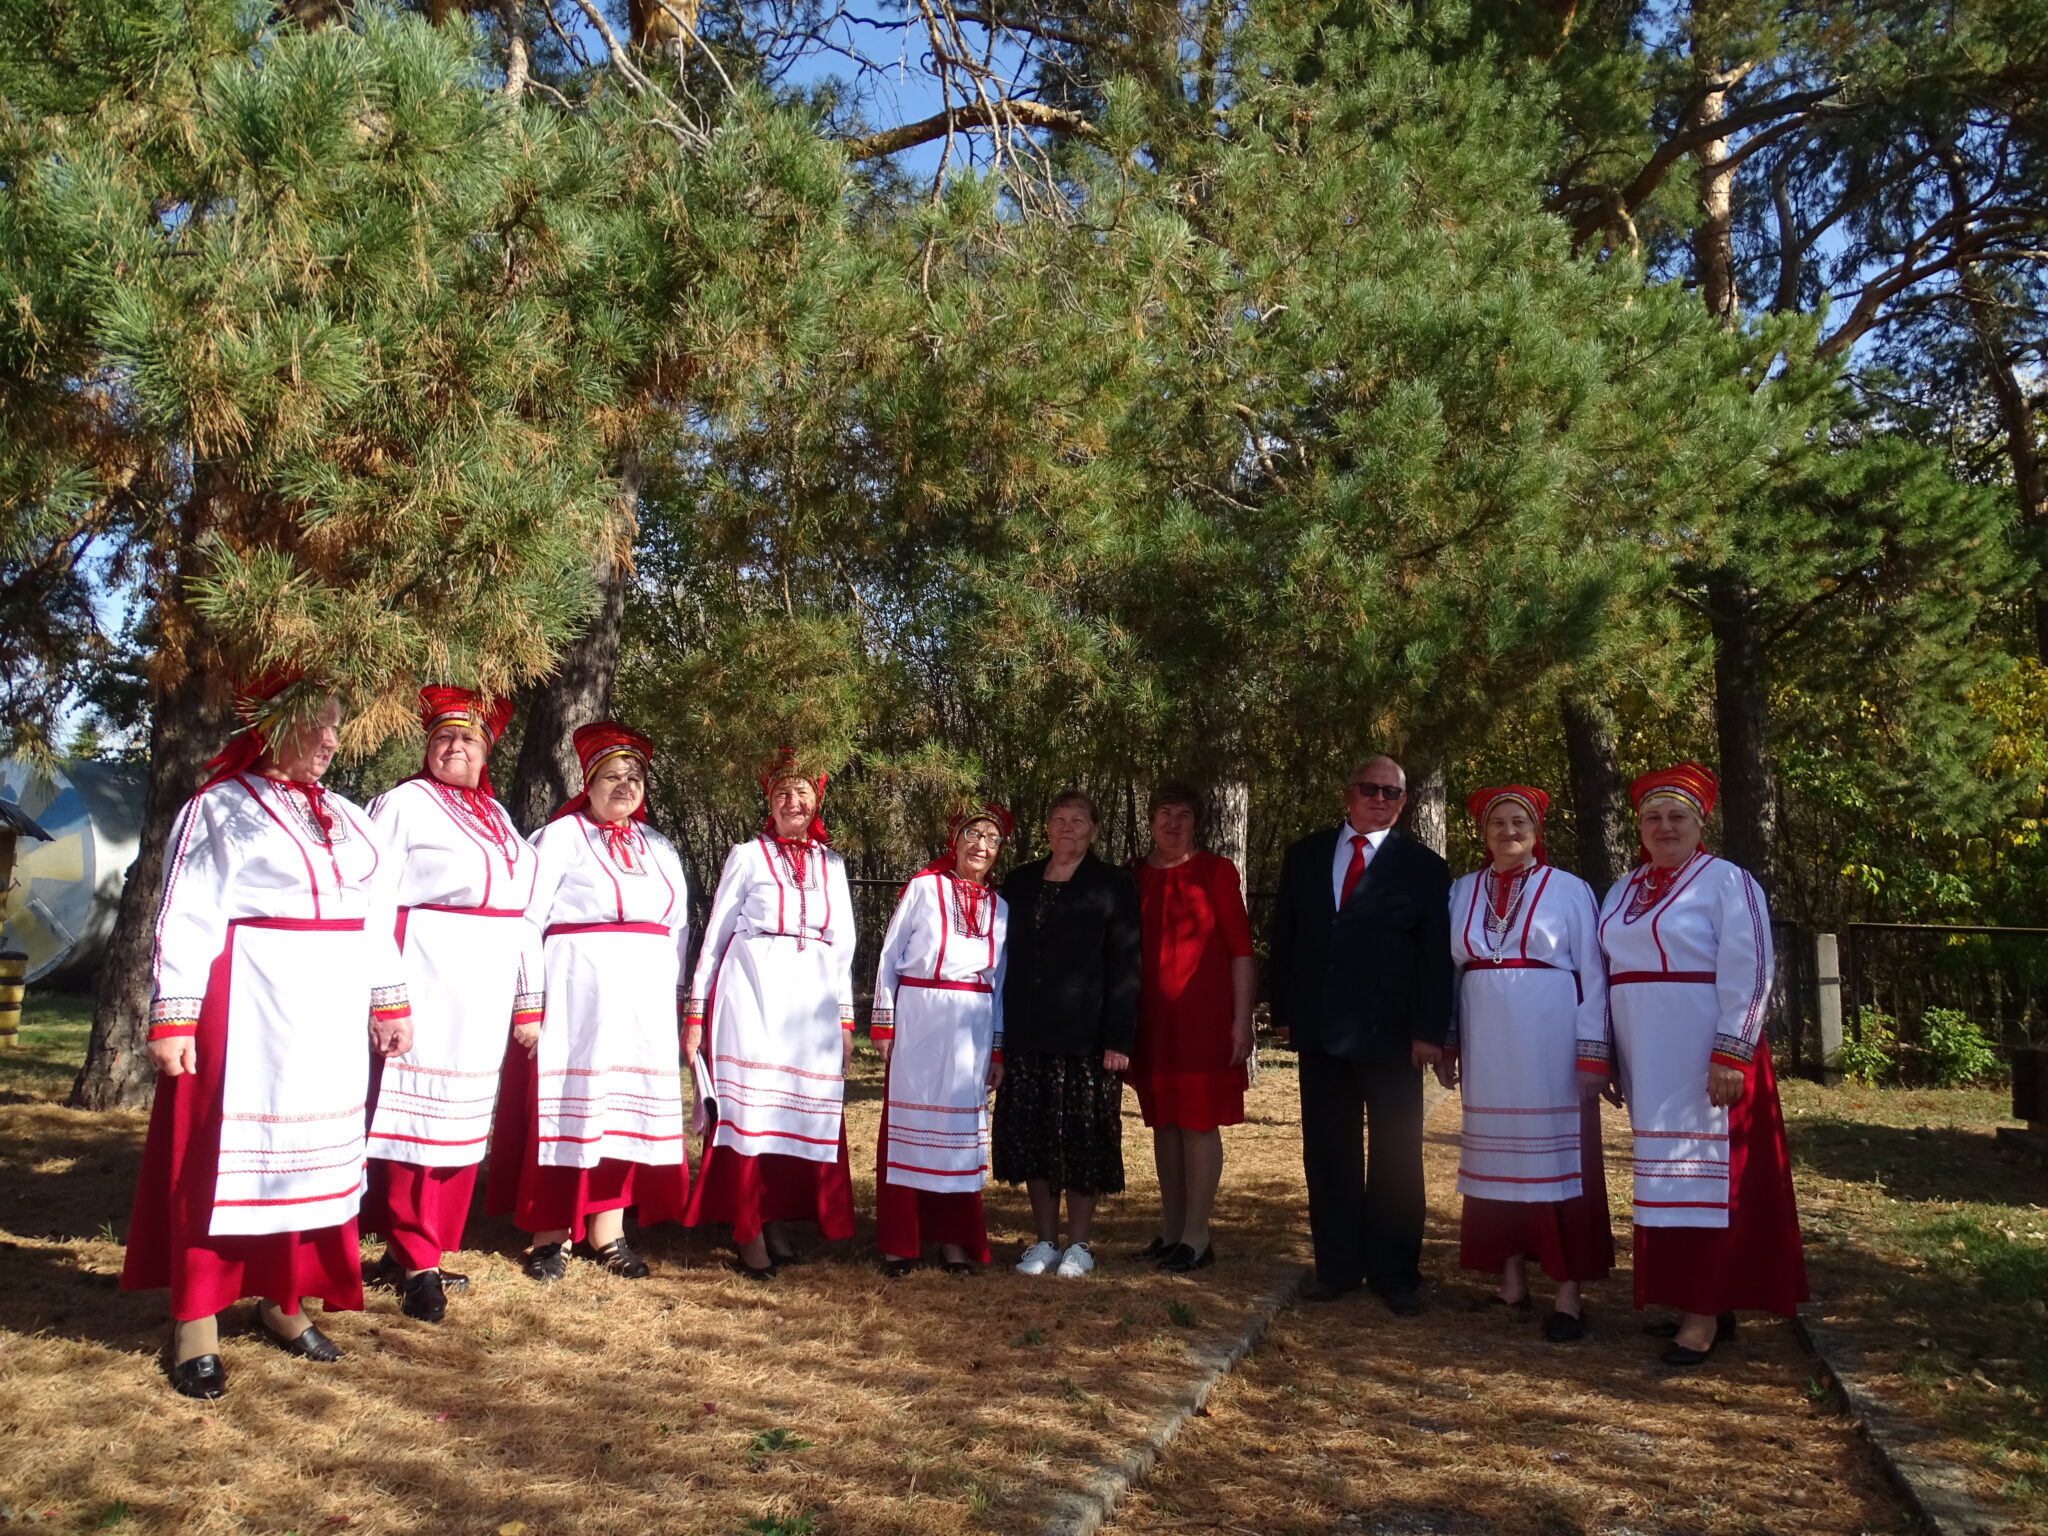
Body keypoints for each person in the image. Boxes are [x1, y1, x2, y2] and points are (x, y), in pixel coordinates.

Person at [122, 681, 413, 1399]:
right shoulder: (219, 807)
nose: (331, 740)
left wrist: (390, 999)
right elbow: (186, 910)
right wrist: (174, 1015)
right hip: (252, 998)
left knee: (310, 1157)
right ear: (272, 727)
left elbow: (375, 915)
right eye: (316, 724)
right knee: (220, 1159)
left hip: (332, 1013)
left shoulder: (351, 818)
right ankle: (196, 1322)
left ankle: (284, 1300)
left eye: (336, 725)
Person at [1598, 761, 1808, 1365]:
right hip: (1647, 1056)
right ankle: (1693, 1295)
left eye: (1677, 817)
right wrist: (1608, 1052)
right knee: (1665, 1177)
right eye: (1653, 817)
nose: (1664, 827)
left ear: (1700, 824)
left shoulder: (1727, 881)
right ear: (1639, 826)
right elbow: (1608, 972)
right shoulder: (1624, 888)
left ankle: (1705, 1312)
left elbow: (1753, 967)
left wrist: (1731, 1052)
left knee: (1709, 1178)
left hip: (1705, 1055)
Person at [360, 687, 544, 1323]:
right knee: (417, 1116)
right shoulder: (403, 804)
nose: (455, 747)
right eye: (443, 737)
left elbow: (523, 916)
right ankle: (417, 1262)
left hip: (484, 985)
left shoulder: (498, 815)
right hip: (428, 969)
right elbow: (373, 900)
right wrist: (388, 994)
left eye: (468, 738)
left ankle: (420, 1248)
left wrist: (527, 1000)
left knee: (460, 1122)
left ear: (487, 751)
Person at [488, 721, 691, 1282]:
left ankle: (609, 1228)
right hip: (578, 996)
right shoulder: (560, 837)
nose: (624, 786)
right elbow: (528, 921)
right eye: (612, 776)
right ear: (588, 782)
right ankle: (550, 1233)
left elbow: (678, 927)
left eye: (634, 778)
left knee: (624, 1111)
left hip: (642, 1003)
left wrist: (672, 998)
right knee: (569, 1107)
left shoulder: (659, 846)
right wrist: (530, 1004)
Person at [1268, 754, 1453, 1313]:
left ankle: (1395, 1273)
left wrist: (1429, 1031)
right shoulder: (1305, 855)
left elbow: (1434, 958)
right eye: (1370, 789)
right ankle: (1338, 1266)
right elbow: (1287, 937)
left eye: (1391, 792)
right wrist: (1284, 1011)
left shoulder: (1423, 867)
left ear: (1404, 801)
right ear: (1348, 793)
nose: (1380, 799)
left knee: (1397, 1156)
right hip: (1321, 1029)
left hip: (1392, 1035)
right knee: (1329, 1152)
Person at [1439, 784, 1612, 1342]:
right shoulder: (1462, 889)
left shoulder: (1569, 889)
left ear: (1537, 831)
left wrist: (1592, 1052)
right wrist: (1449, 1042)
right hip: (1487, 1042)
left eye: (1519, 822)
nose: (1508, 831)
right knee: (1496, 1155)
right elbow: (1451, 974)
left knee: (1559, 1157)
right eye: (1497, 823)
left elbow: (1594, 974)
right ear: (1483, 833)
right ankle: (1510, 1281)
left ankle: (1568, 1293)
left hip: (1550, 1043)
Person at [683, 749, 858, 1276]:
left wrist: (844, 1020)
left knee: (791, 1113)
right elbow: (716, 935)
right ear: (769, 801)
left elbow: (844, 946)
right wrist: (696, 1010)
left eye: (802, 791)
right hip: (751, 993)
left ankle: (773, 1216)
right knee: (752, 1114)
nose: (792, 801)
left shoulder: (832, 864)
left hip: (811, 1002)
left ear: (817, 799)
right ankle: (748, 1230)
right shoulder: (747, 855)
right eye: (782, 792)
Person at [992, 789, 1141, 1279]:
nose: (1067, 828)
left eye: (1078, 820)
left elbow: (1126, 964)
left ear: (1093, 830)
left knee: (1082, 1139)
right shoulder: (1021, 881)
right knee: (1033, 1137)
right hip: (1027, 1033)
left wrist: (1119, 1039)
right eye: (1059, 819)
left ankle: (1079, 1244)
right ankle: (1044, 1242)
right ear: (1047, 827)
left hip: (1087, 1039)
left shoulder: (1113, 883)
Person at [870, 804, 1012, 1276]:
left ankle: (954, 1241)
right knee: (907, 1129)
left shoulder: (1001, 908)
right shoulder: (924, 888)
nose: (981, 845)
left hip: (971, 1025)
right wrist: (884, 1022)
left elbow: (1000, 985)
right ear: (955, 840)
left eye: (991, 838)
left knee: (958, 1138)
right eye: (972, 834)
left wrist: (997, 1048)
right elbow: (890, 955)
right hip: (920, 1017)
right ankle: (900, 1243)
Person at [1128, 781, 1255, 1274]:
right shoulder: (1134, 875)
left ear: (1196, 822)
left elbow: (1240, 950)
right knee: (1164, 1123)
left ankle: (1198, 1238)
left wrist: (1241, 1021)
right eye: (1165, 813)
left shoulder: (1216, 872)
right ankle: (1172, 1231)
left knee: (1198, 1124)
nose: (1173, 823)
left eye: (1183, 814)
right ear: (1151, 820)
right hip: (1151, 1023)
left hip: (1204, 1020)